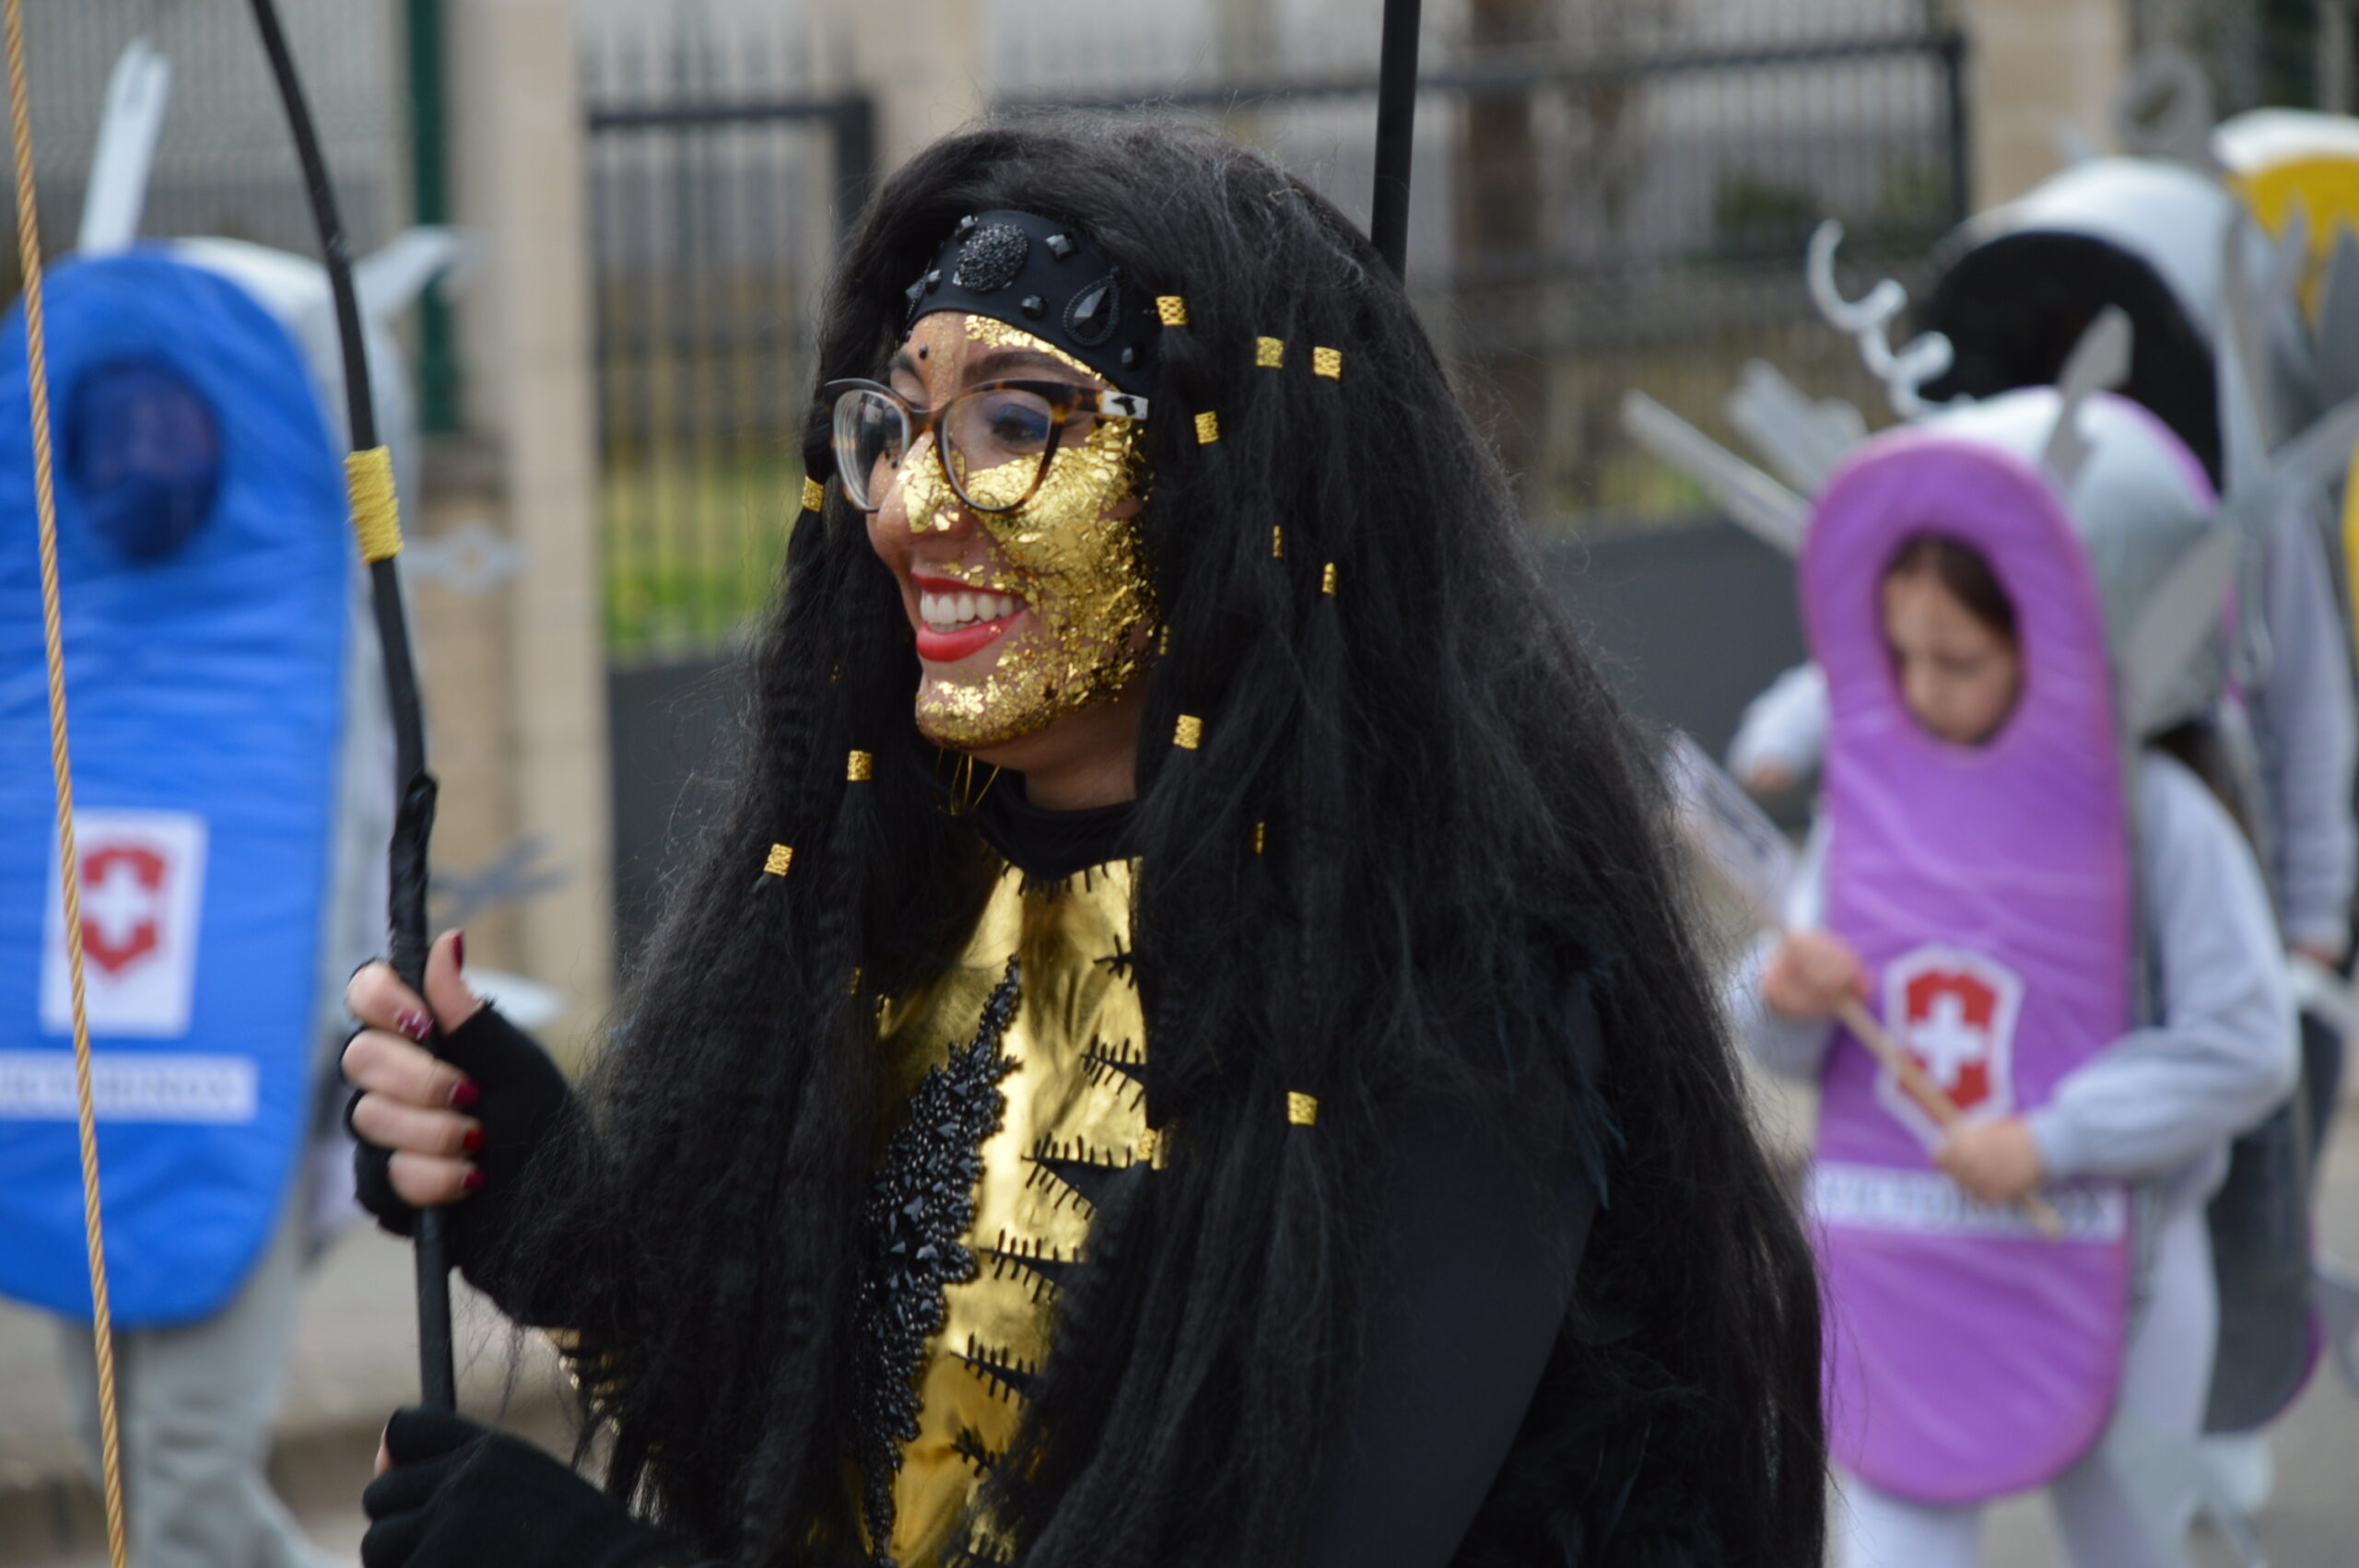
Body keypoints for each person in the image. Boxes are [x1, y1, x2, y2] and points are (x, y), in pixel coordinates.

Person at [335, 115, 1827, 1568]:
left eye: (1012, 423)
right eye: (900, 424)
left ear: (1227, 485)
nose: (911, 510)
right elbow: (875, 1433)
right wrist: (544, 1196)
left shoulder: (1446, 1016)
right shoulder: (918, 909)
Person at [1731, 387, 2295, 1568]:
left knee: (2127, 1548)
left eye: (1962, 659)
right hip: (1911, 1274)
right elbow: (1795, 1035)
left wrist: (2054, 1138)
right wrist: (1780, 997)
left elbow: (2247, 1042)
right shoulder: (1872, 813)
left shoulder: (2159, 824)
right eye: (1899, 656)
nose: (1923, 690)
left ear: (2057, 638)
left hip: (2117, 1275)